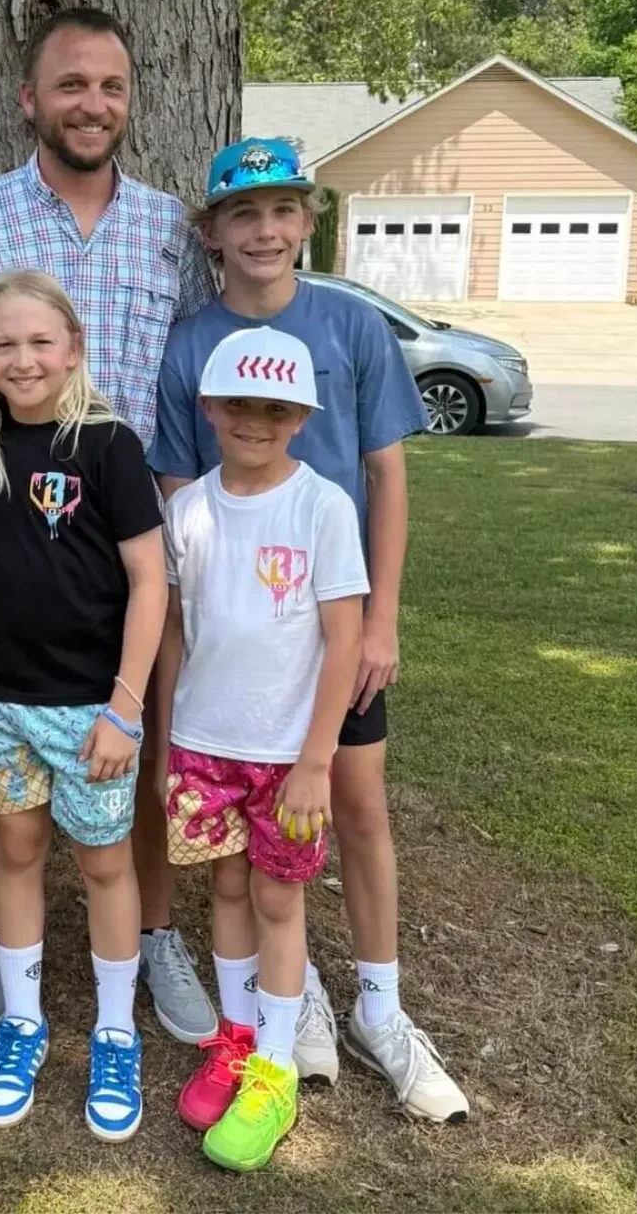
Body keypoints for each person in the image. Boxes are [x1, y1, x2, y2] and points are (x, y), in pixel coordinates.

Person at [151, 137, 470, 1123]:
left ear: (306, 220)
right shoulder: (188, 344)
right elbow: (176, 499)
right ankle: (292, 1018)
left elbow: (384, 474)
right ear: (212, 231)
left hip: (330, 626)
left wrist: (380, 615)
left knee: (353, 805)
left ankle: (381, 1004)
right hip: (232, 660)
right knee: (245, 869)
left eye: (282, 210)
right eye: (242, 213)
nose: (264, 229)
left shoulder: (349, 324)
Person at [0, 6, 219, 1053]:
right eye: (69, 85)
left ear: (128, 96)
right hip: (10, 531)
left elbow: (193, 376)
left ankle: (150, 931)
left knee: (137, 738)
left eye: (108, 84)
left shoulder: (167, 231)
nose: (90, 103)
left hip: (140, 532)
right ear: (28, 99)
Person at [155, 325, 370, 1172]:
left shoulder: (322, 506)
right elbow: (176, 629)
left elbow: (343, 641)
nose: (255, 420)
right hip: (204, 746)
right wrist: (170, 736)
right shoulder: (186, 508)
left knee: (281, 904)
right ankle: (237, 1042)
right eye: (238, 404)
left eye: (275, 408)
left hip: (288, 759)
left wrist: (317, 758)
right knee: (230, 890)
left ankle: (275, 1069)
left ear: (301, 417)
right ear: (209, 407)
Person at [0, 270, 168, 1140]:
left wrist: (125, 709)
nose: (22, 359)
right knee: (14, 850)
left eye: (41, 342)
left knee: (104, 863)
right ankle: (23, 1019)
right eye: (3, 343)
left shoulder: (110, 446)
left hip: (91, 712)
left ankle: (116, 1033)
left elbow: (150, 580)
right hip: (1, 703)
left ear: (74, 349)